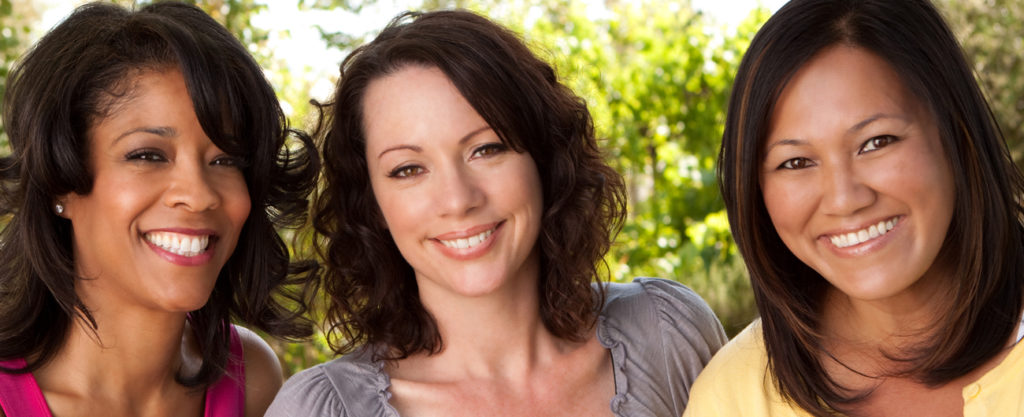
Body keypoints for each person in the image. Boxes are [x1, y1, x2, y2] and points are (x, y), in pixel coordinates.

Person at [267, 9, 726, 417]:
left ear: (544, 159)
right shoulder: (320, 410)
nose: (457, 199)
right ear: (372, 203)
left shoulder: (668, 333)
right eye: (408, 169)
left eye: (486, 149)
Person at [684, 0, 1024, 415]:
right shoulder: (733, 398)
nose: (844, 199)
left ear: (957, 132)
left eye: (877, 142)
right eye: (796, 162)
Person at [0, 2, 320, 416]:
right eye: (148, 155)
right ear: (61, 179)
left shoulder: (252, 377)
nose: (199, 194)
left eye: (226, 160)